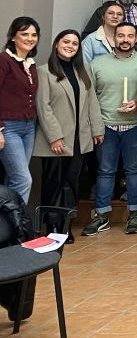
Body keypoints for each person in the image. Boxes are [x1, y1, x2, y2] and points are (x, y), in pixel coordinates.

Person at [81, 22, 137, 236]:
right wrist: (95, 126)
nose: (125, 39)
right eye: (121, 35)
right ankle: (101, 215)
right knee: (105, 170)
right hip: (106, 125)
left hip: (134, 125)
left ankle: (135, 214)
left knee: (134, 170)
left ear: (136, 38)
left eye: (130, 35)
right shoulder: (97, 64)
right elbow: (89, 97)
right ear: (114, 38)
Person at [34, 30, 103, 227]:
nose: (70, 46)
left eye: (74, 43)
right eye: (66, 41)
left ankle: (65, 225)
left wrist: (97, 129)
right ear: (56, 44)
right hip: (56, 140)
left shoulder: (83, 70)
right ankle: (52, 226)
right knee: (53, 185)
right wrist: (54, 137)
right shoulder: (44, 71)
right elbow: (43, 107)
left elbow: (92, 102)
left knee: (71, 185)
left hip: (79, 139)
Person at [0, 17, 41, 204]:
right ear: (13, 36)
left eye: (34, 34)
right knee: (23, 179)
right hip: (8, 127)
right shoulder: (4, 61)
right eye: (24, 34)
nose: (30, 38)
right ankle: (19, 228)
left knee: (13, 180)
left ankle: (6, 228)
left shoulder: (30, 64)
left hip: (28, 127)